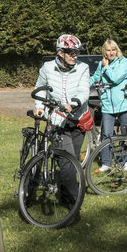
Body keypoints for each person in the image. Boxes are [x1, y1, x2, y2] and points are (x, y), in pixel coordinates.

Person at [33, 34, 90, 206]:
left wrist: (73, 103)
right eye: (70, 52)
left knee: (73, 162)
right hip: (58, 121)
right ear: (60, 52)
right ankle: (73, 203)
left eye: (76, 52)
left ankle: (65, 196)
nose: (75, 56)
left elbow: (83, 90)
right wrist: (39, 106)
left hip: (78, 120)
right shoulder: (47, 68)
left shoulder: (83, 68)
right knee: (67, 160)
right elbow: (40, 88)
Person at [89, 39, 127, 172]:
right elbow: (95, 78)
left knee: (126, 132)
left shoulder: (124, 62)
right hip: (107, 105)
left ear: (117, 50)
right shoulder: (101, 64)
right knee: (106, 134)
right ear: (104, 51)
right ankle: (106, 162)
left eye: (113, 50)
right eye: (108, 50)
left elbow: (116, 78)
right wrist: (81, 84)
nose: (111, 53)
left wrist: (106, 67)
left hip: (124, 103)